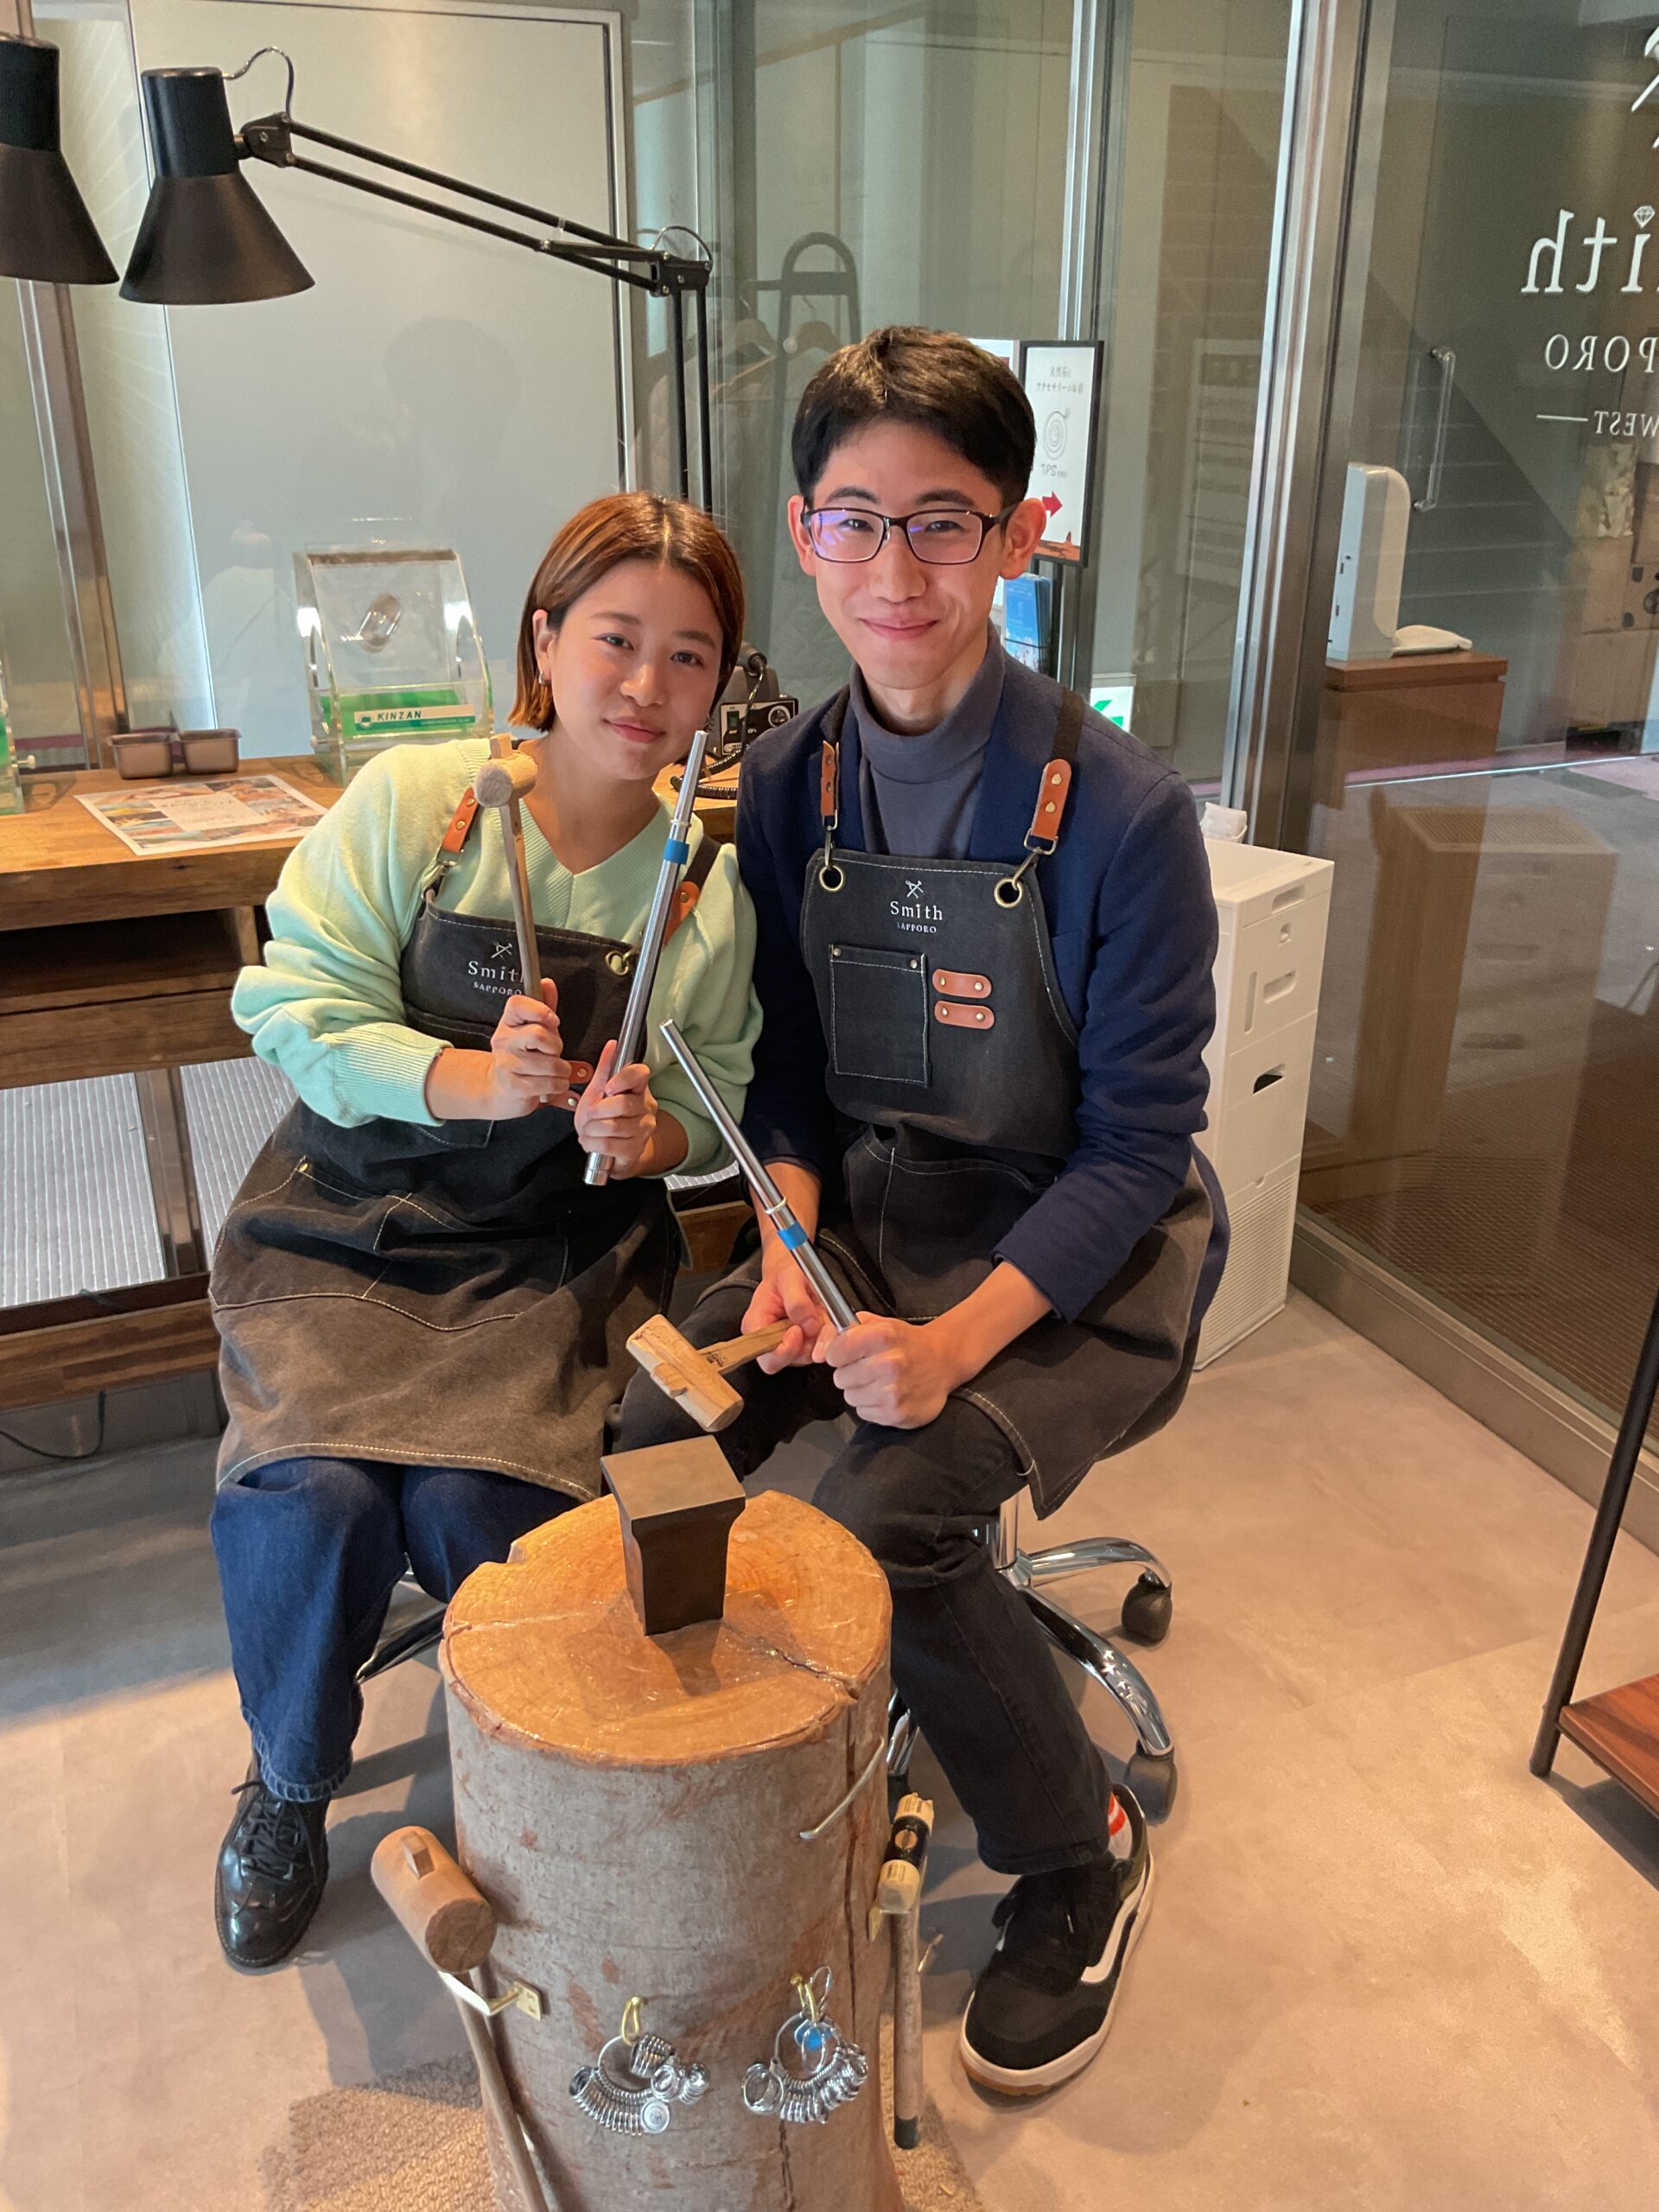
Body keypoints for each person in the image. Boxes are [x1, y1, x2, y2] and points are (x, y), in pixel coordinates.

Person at [615, 328, 1227, 2094]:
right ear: (803, 534)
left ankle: (1076, 1849)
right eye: (855, 521)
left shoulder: (1123, 817)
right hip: (867, 1214)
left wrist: (951, 1345)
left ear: (1020, 533)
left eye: (944, 522)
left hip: (1077, 1254)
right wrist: (787, 1238)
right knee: (656, 1425)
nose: (897, 571)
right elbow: (790, 1078)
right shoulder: (788, 781)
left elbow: (1139, 1148)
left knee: (892, 1509)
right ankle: (744, 1787)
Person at [209, 492, 760, 1970]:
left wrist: (652, 1138)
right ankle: (287, 1786)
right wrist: (462, 1077)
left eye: (689, 657)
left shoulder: (699, 886)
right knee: (311, 1500)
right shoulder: (427, 804)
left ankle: (533, 1771)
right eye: (616, 640)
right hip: (346, 1220)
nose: (645, 686)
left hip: (552, 1254)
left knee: (482, 1507)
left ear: (720, 686)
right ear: (545, 639)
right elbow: (291, 1002)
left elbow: (720, 1095)